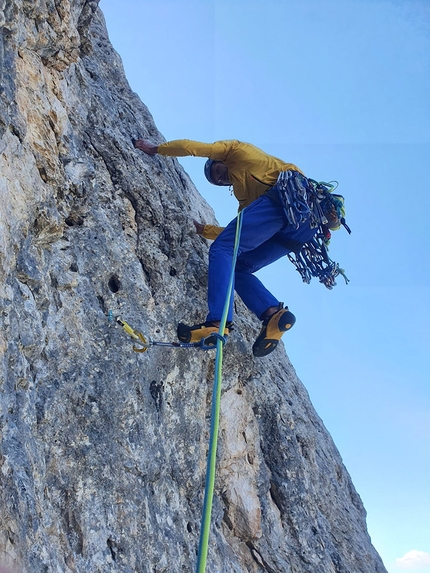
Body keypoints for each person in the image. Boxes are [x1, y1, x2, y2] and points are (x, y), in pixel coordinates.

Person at [134, 138, 341, 357]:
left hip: (284, 200)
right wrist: (205, 230)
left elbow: (194, 148)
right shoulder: (246, 201)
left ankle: (217, 323)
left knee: (223, 250)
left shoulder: (234, 151)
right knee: (238, 266)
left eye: (217, 171)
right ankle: (274, 315)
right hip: (300, 228)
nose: (221, 178)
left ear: (219, 160)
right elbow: (239, 229)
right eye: (218, 181)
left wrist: (156, 149)